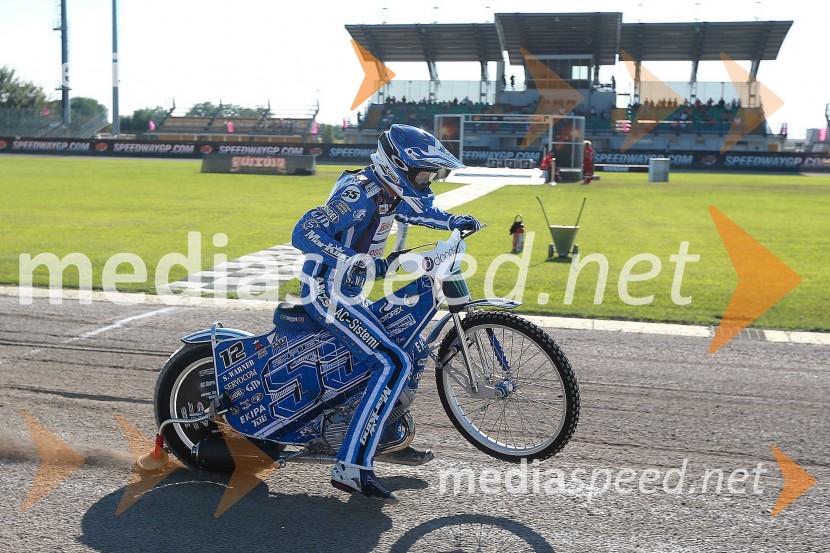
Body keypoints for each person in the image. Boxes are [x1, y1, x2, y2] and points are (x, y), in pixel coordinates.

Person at [292, 124, 482, 502]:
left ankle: (387, 440)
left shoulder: (390, 191)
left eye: (431, 174)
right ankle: (351, 467)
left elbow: (422, 210)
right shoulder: (358, 192)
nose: (428, 181)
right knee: (390, 362)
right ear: (396, 165)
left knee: (412, 350)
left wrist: (452, 222)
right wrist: (353, 261)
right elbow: (305, 230)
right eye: (423, 173)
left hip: (348, 295)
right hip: (326, 293)